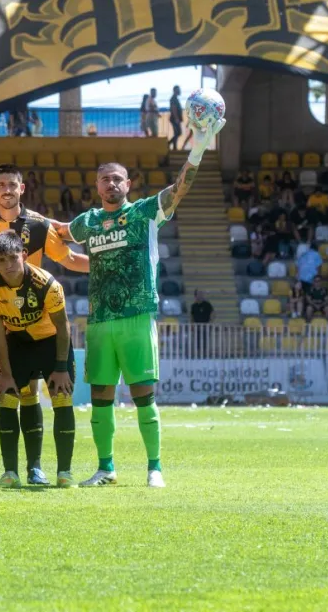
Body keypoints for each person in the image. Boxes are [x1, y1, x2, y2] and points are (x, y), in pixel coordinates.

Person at [51, 115, 226, 488]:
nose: (111, 183)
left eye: (118, 178)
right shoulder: (89, 221)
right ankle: (106, 468)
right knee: (100, 395)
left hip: (136, 314)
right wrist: (20, 216)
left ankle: (155, 468)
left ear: (128, 184)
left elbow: (179, 189)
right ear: (97, 186)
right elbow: (59, 231)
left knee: (142, 394)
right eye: (105, 179)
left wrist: (198, 147)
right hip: (99, 319)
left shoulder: (144, 213)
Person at [0, 164, 88, 482]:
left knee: (22, 394)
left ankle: (33, 468)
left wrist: (106, 266)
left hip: (30, 323)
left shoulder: (40, 226)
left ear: (22, 188)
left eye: (12, 184)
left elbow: (69, 259)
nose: (6, 189)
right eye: (0, 184)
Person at [0, 230, 75, 488]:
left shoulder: (47, 283)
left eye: (13, 258)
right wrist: (5, 373)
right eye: (1, 260)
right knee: (8, 397)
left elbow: (63, 327)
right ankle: (10, 472)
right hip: (18, 344)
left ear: (24, 255)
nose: (8, 265)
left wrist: (61, 367)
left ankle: (64, 473)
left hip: (52, 343)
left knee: (61, 395)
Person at [168, 86, 183, 152]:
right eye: (178, 90)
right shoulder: (173, 98)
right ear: (175, 90)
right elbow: (174, 108)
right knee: (178, 133)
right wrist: (176, 118)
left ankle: (174, 147)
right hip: (174, 119)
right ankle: (168, 144)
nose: (180, 91)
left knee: (177, 133)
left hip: (176, 119)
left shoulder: (175, 98)